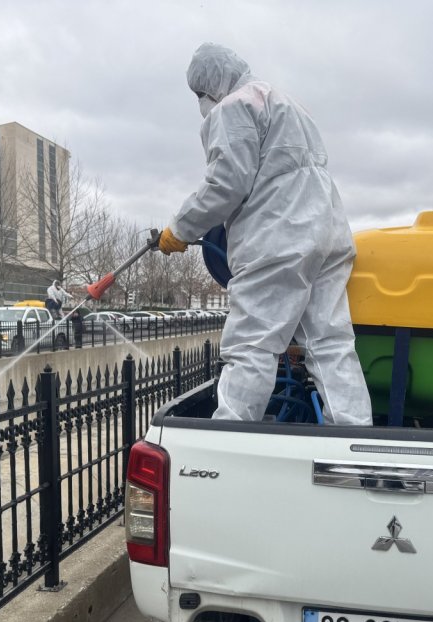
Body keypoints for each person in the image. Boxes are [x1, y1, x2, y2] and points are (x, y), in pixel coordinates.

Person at [157, 43, 372, 425]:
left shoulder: (234, 106)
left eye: (200, 95)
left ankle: (229, 439)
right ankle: (356, 442)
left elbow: (227, 182)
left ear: (209, 85)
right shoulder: (288, 103)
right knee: (331, 344)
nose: (202, 103)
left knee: (251, 345)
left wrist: (181, 227)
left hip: (279, 238)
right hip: (328, 235)